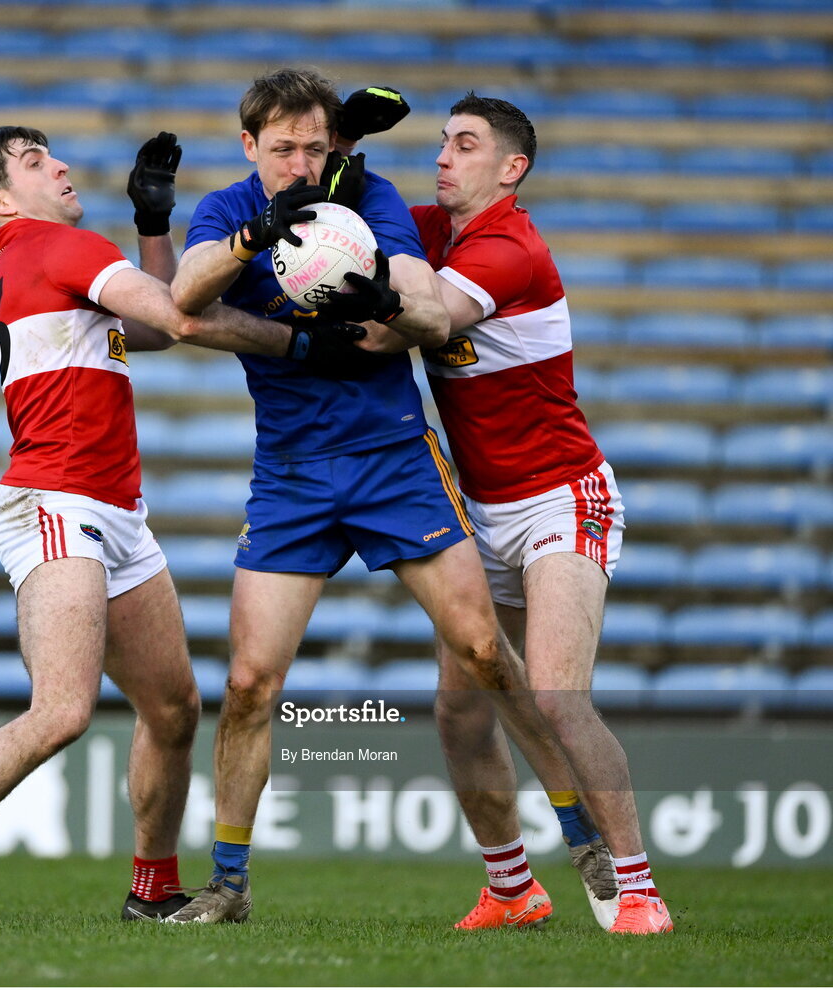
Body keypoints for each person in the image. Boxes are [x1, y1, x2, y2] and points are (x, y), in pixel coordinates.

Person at [0, 125, 366, 922]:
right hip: (59, 501)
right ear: (0, 201)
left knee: (172, 708)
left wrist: (154, 227)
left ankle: (152, 891)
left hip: (111, 509)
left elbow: (159, 329)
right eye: (34, 162)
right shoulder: (55, 247)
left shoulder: (38, 258)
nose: (58, 165)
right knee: (62, 710)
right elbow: (185, 316)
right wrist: (301, 333)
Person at [161, 67, 592, 930]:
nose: (299, 164)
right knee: (249, 682)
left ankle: (584, 841)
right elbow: (183, 297)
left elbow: (425, 301)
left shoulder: (369, 199)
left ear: (333, 146)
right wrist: (258, 242)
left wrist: (379, 302)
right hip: (290, 474)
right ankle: (229, 884)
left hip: (394, 456)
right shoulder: (225, 211)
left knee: (482, 653)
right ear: (250, 147)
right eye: (281, 149)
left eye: (314, 148)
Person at [337, 93, 673, 935]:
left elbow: (429, 319)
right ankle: (512, 886)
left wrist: (353, 302)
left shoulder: (510, 246)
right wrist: (339, 155)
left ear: (511, 168)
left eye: (465, 145)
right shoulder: (432, 230)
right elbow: (351, 216)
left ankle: (637, 887)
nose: (444, 157)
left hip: (562, 498)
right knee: (457, 708)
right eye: (443, 142)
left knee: (558, 694)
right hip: (480, 512)